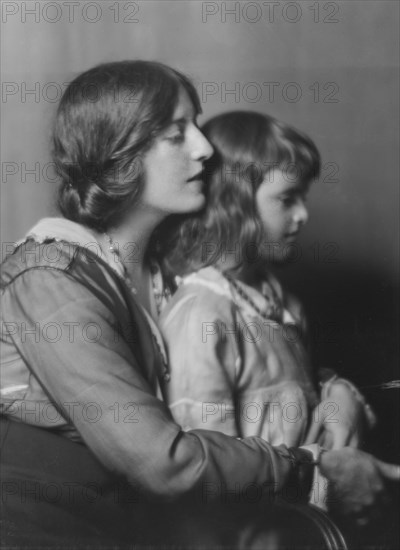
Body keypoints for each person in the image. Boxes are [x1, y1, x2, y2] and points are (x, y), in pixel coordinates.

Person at [1, 64, 398, 549]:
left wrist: (337, 393)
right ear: (120, 154)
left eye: (197, 124)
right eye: (176, 134)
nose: (205, 148)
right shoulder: (49, 278)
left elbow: (267, 363)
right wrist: (310, 467)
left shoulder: (168, 273)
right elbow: (164, 465)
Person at [159, 111, 376, 452]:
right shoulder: (201, 316)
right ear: (234, 203)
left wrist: (339, 393)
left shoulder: (281, 303)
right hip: (264, 502)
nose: (303, 215)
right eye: (287, 199)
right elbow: (212, 463)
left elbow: (302, 395)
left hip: (313, 497)